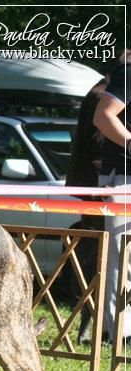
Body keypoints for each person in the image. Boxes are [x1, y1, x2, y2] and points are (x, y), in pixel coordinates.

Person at [93, 49, 131, 343]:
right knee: (120, 259)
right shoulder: (128, 74)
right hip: (123, 179)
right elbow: (103, 116)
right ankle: (119, 333)